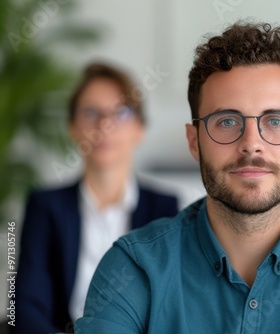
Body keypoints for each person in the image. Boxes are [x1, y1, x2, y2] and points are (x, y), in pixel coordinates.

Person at [74, 22, 280, 333]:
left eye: (276, 122)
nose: (252, 144)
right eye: (226, 121)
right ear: (194, 142)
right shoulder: (134, 268)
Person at [15, 63, 179, 333]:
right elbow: (26, 307)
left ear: (139, 129)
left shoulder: (165, 207)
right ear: (72, 127)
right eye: (91, 112)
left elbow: (169, 307)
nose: (105, 124)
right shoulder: (45, 207)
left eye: (121, 112)